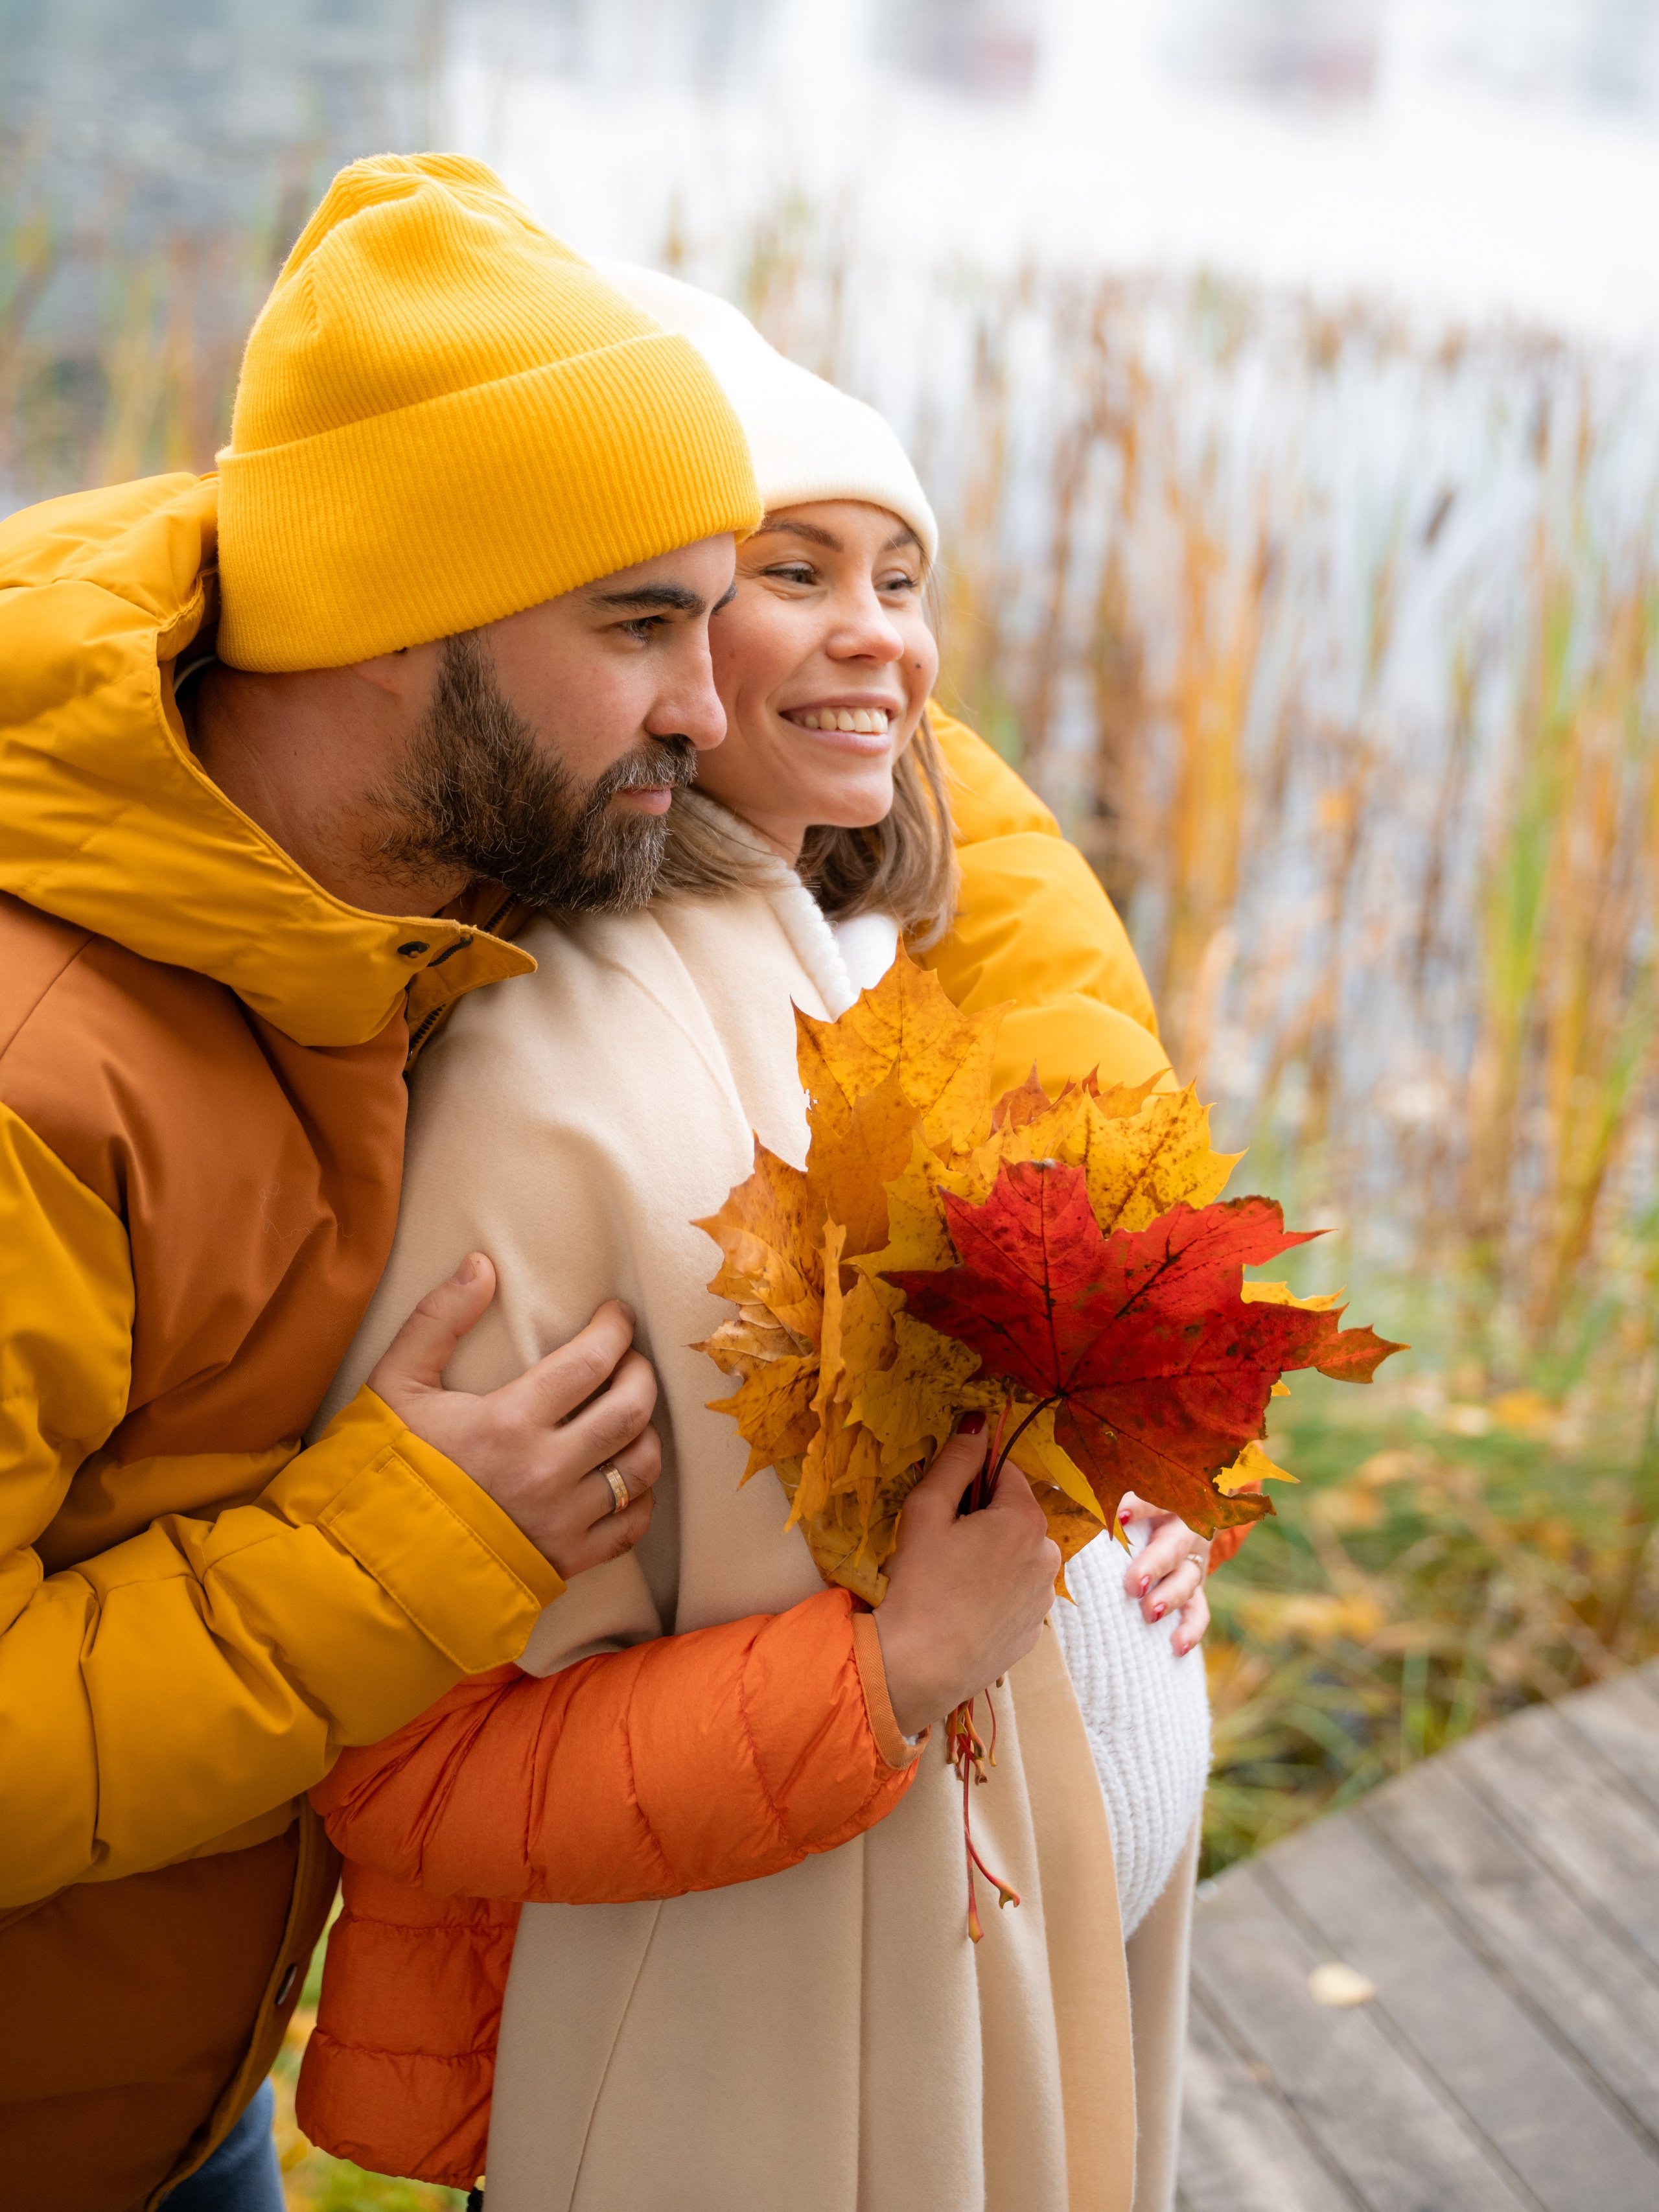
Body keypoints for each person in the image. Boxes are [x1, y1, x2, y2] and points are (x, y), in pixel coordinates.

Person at [298, 269, 1221, 2212]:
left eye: (905, 578)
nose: (876, 637)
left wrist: (1126, 1510)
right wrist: (895, 1667)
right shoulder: (554, 1066)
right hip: (740, 2069)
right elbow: (420, 1757)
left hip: (950, 2008)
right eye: (792, 569)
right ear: (664, 642)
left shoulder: (875, 995)